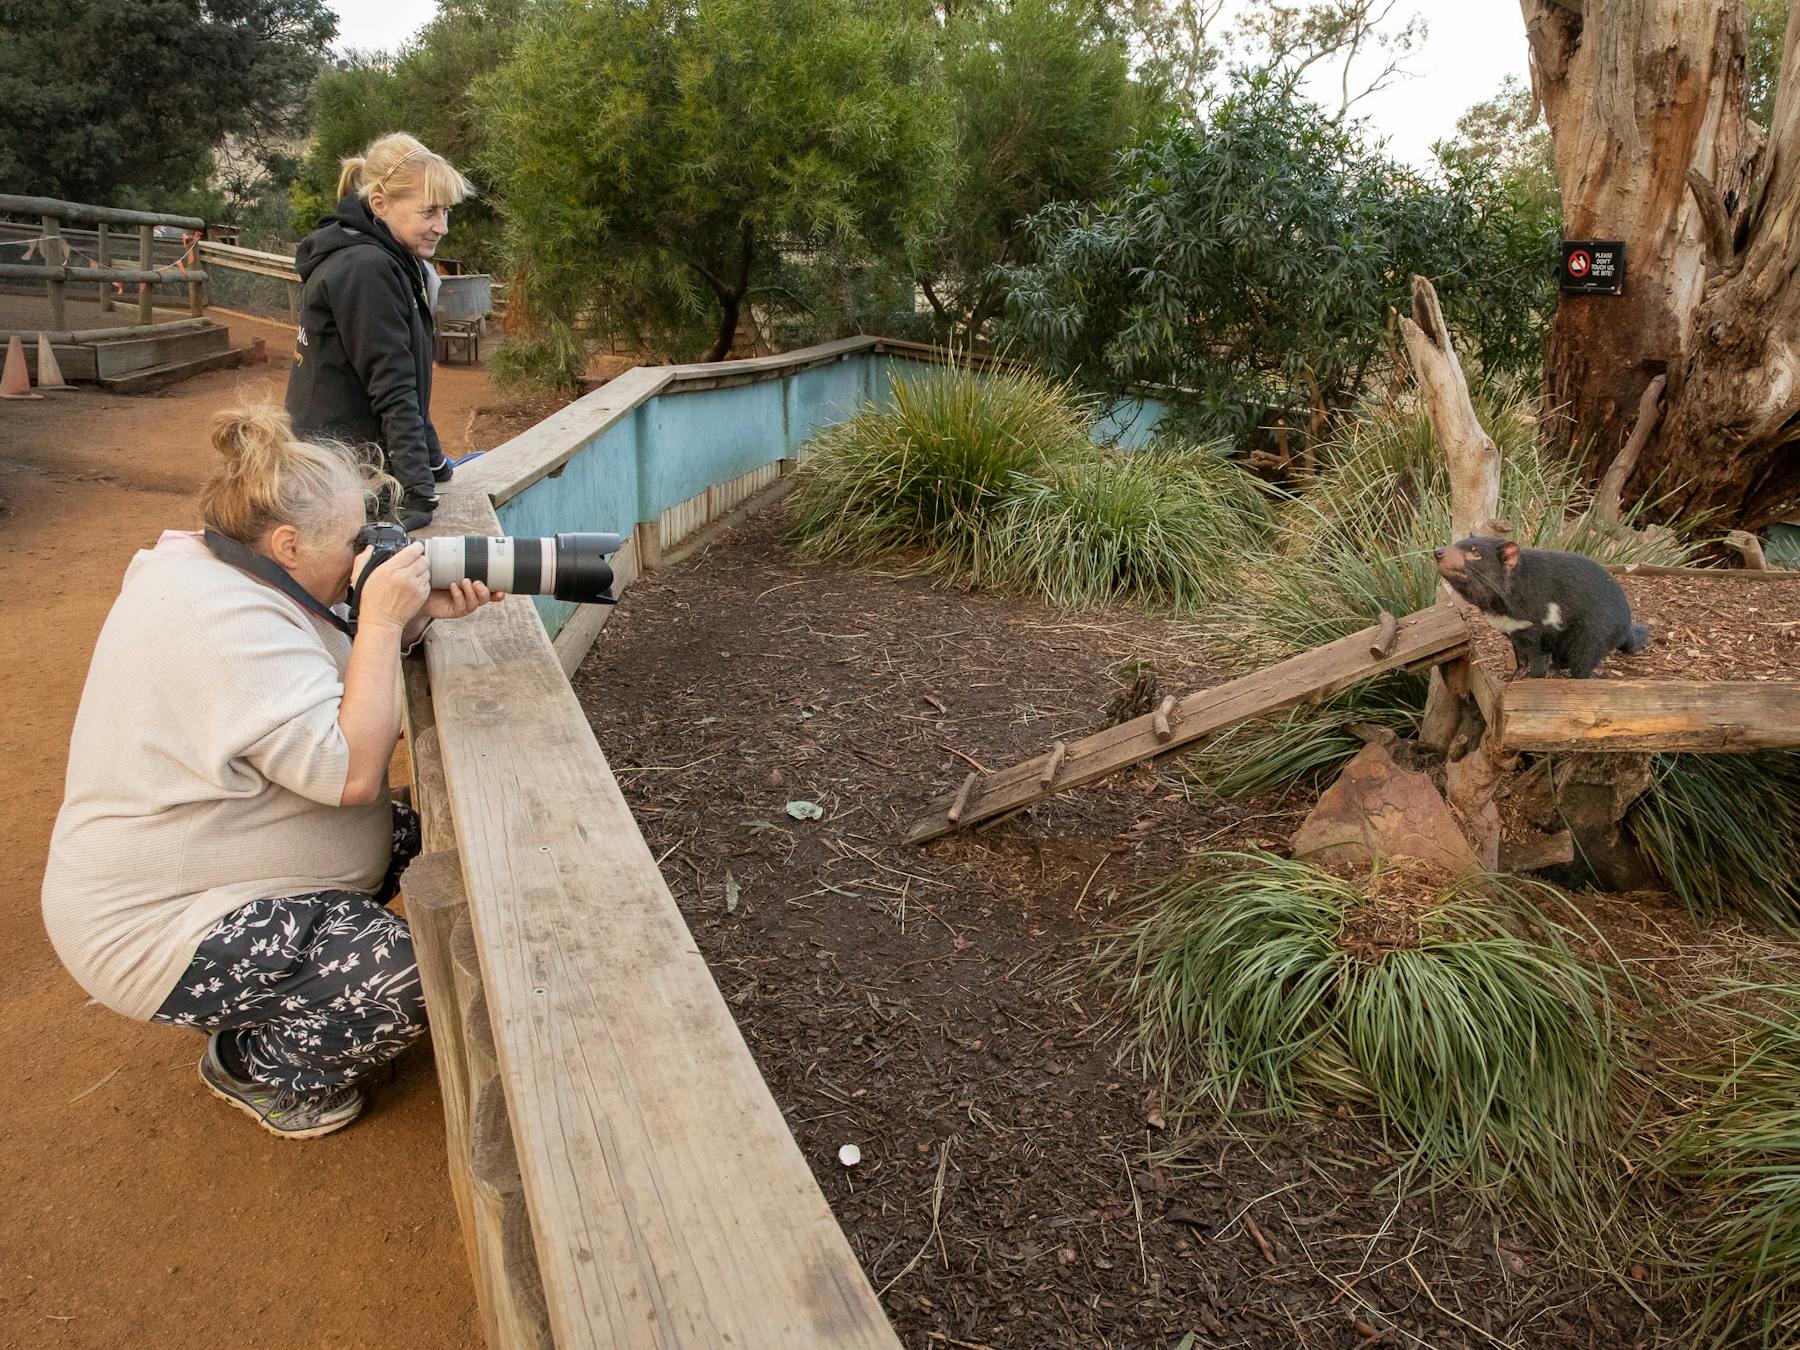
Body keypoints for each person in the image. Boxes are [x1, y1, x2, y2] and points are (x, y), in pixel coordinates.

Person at [42, 404, 503, 1139]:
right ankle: (253, 1062)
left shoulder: (233, 571)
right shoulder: (218, 624)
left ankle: (274, 995)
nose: (370, 553)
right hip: (153, 927)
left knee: (450, 847)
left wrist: (412, 622)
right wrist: (382, 622)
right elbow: (351, 773)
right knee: (401, 978)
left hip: (220, 871)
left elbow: (322, 681)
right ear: (288, 543)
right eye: (356, 540)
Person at [286, 132, 472, 530]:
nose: (442, 227)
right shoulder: (366, 268)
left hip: (344, 465)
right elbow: (393, 388)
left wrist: (434, 462)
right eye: (429, 213)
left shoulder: (386, 257)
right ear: (380, 204)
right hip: (336, 478)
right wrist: (419, 493)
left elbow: (407, 379)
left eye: (445, 212)